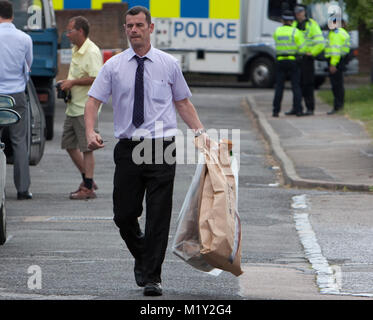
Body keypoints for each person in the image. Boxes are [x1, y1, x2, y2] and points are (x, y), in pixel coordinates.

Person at [84, 6, 206, 296]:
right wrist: (90, 131)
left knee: (158, 216)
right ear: (125, 29)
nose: (134, 30)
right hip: (128, 148)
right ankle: (143, 255)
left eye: (139, 25)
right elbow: (92, 102)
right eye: (129, 26)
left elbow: (183, 103)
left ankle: (153, 277)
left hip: (161, 147)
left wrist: (200, 134)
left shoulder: (168, 64)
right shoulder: (113, 66)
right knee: (124, 215)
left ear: (151, 28)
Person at [59, 16, 102, 200]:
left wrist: (73, 82)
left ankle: (87, 187)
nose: (67, 34)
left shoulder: (91, 52)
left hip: (85, 108)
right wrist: (66, 83)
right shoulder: (76, 49)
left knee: (87, 149)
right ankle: (88, 180)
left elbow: (96, 78)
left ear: (81, 31)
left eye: (70, 31)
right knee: (68, 145)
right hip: (73, 106)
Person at [0, 0, 33, 200]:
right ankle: (22, 189)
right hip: (16, 95)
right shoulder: (24, 38)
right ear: (12, 15)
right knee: (19, 141)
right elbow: (28, 66)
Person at [286, 4, 325, 116]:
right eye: (296, 12)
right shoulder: (294, 24)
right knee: (296, 84)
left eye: (300, 12)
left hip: (307, 58)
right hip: (296, 58)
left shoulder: (312, 25)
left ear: (304, 12)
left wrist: (312, 52)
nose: (298, 14)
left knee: (308, 84)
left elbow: (320, 43)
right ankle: (296, 107)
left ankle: (310, 108)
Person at [272, 10, 305, 117]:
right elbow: (302, 49)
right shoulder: (296, 32)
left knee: (279, 87)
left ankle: (275, 111)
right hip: (293, 61)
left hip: (280, 61)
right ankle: (298, 110)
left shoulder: (277, 31)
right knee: (296, 86)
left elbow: (276, 43)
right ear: (292, 21)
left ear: (282, 20)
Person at [325, 16, 350, 115]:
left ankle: (337, 106)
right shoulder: (342, 32)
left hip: (336, 61)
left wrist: (332, 64)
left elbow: (335, 51)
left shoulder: (336, 34)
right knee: (339, 85)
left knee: (336, 86)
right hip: (340, 61)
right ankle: (340, 106)